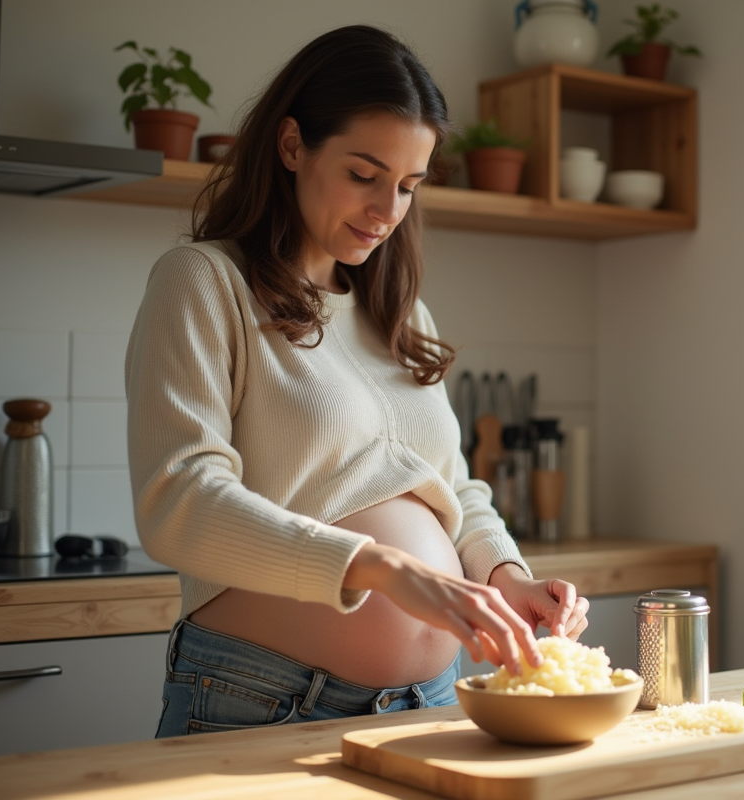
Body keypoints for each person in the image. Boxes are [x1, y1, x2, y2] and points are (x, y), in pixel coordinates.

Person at [125, 24, 589, 737]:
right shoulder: (204, 282)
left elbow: (453, 489)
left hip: (432, 699)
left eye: (408, 186)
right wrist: (382, 568)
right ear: (291, 146)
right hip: (262, 697)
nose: (387, 211)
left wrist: (507, 577)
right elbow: (179, 501)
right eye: (364, 174)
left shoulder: (398, 311)